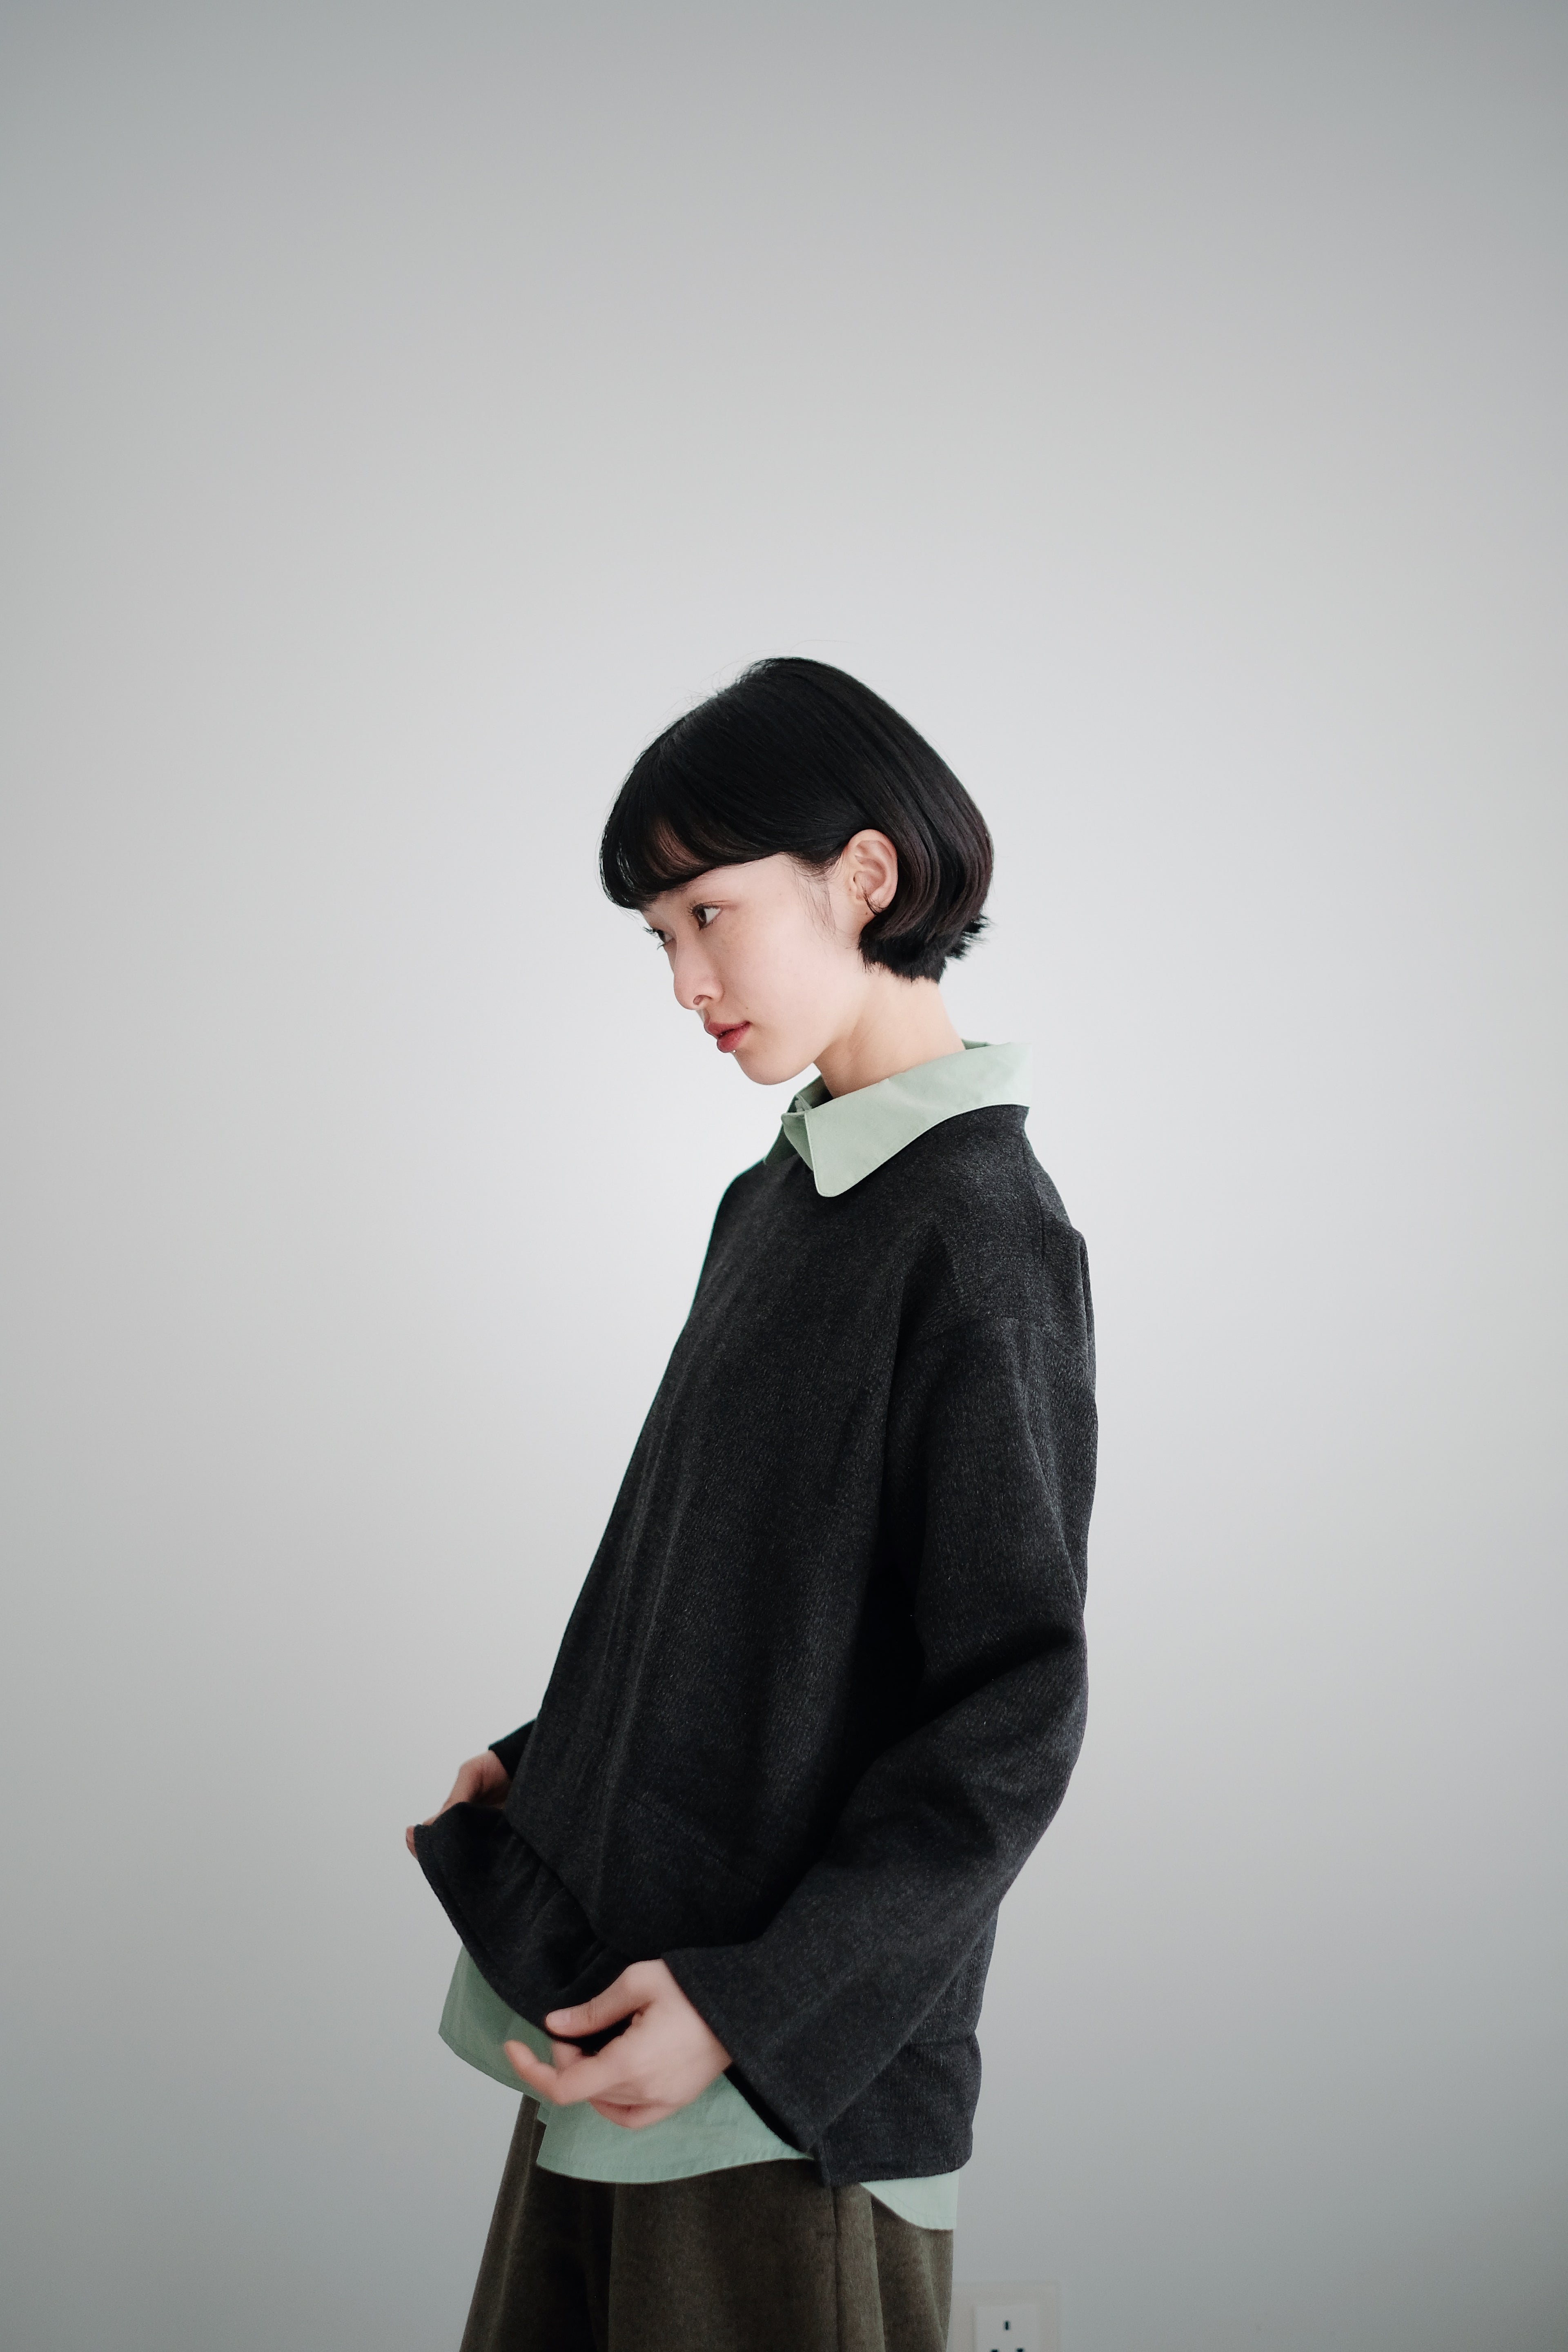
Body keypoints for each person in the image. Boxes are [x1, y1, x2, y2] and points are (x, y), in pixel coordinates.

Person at [408, 657, 1097, 2351]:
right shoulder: (783, 1197)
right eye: (659, 938)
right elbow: (731, 1590)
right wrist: (563, 1761)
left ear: (864, 875)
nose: (684, 981)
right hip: (625, 2016)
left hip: (777, 2097)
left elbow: (1009, 1715)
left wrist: (749, 2010)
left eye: (708, 916)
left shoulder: (981, 1232)